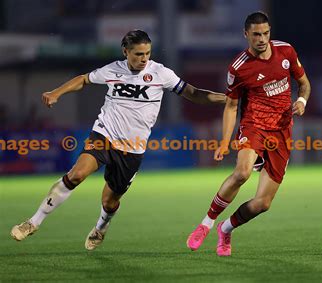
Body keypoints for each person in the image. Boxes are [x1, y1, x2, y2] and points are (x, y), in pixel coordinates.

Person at [10, 30, 226, 250]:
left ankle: (101, 227)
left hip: (132, 149)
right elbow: (84, 80)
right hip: (105, 134)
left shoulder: (161, 74)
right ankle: (33, 222)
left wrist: (226, 99)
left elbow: (194, 93)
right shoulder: (113, 69)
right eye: (138, 54)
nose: (144, 59)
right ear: (126, 52)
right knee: (77, 174)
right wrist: (57, 92)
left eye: (147, 53)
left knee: (109, 201)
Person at [186, 12, 311, 256]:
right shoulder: (239, 68)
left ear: (270, 31)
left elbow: (304, 83)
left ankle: (226, 228)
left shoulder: (286, 52)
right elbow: (231, 106)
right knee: (242, 173)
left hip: (282, 132)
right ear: (246, 35)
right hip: (254, 125)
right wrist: (224, 142)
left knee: (263, 203)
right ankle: (206, 223)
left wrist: (302, 101)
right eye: (256, 34)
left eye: (265, 33)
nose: (262, 39)